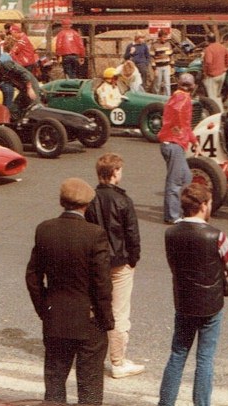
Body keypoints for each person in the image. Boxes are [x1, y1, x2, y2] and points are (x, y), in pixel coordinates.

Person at [25, 177, 114, 405]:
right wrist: (107, 320)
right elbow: (102, 283)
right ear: (86, 205)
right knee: (90, 387)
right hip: (89, 321)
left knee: (54, 384)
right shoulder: (94, 235)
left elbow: (33, 277)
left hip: (56, 318)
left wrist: (45, 309)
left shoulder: (45, 229)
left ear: (62, 202)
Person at [158, 183, 228, 406]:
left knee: (178, 354)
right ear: (203, 206)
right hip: (211, 303)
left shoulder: (171, 232)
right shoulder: (217, 236)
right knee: (205, 359)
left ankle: (166, 402)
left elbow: (173, 264)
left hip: (183, 301)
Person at [84, 153, 145, 380]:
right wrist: (133, 260)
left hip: (96, 262)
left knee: (96, 308)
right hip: (120, 263)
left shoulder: (89, 199)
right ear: (115, 173)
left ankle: (90, 355)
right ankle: (118, 362)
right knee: (119, 313)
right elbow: (132, 235)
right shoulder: (123, 200)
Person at [158, 73, 198, 224]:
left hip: (173, 142)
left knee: (187, 177)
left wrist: (192, 140)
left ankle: (182, 210)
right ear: (192, 86)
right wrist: (179, 130)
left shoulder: (177, 96)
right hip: (174, 143)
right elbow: (183, 120)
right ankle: (172, 216)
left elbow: (184, 124)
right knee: (174, 182)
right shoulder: (183, 98)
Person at [202, 33, 228, 113]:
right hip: (222, 74)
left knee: (212, 97)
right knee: (217, 95)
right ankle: (221, 112)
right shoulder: (221, 46)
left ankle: (216, 114)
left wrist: (205, 72)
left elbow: (208, 62)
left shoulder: (209, 49)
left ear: (207, 40)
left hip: (212, 75)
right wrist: (226, 66)